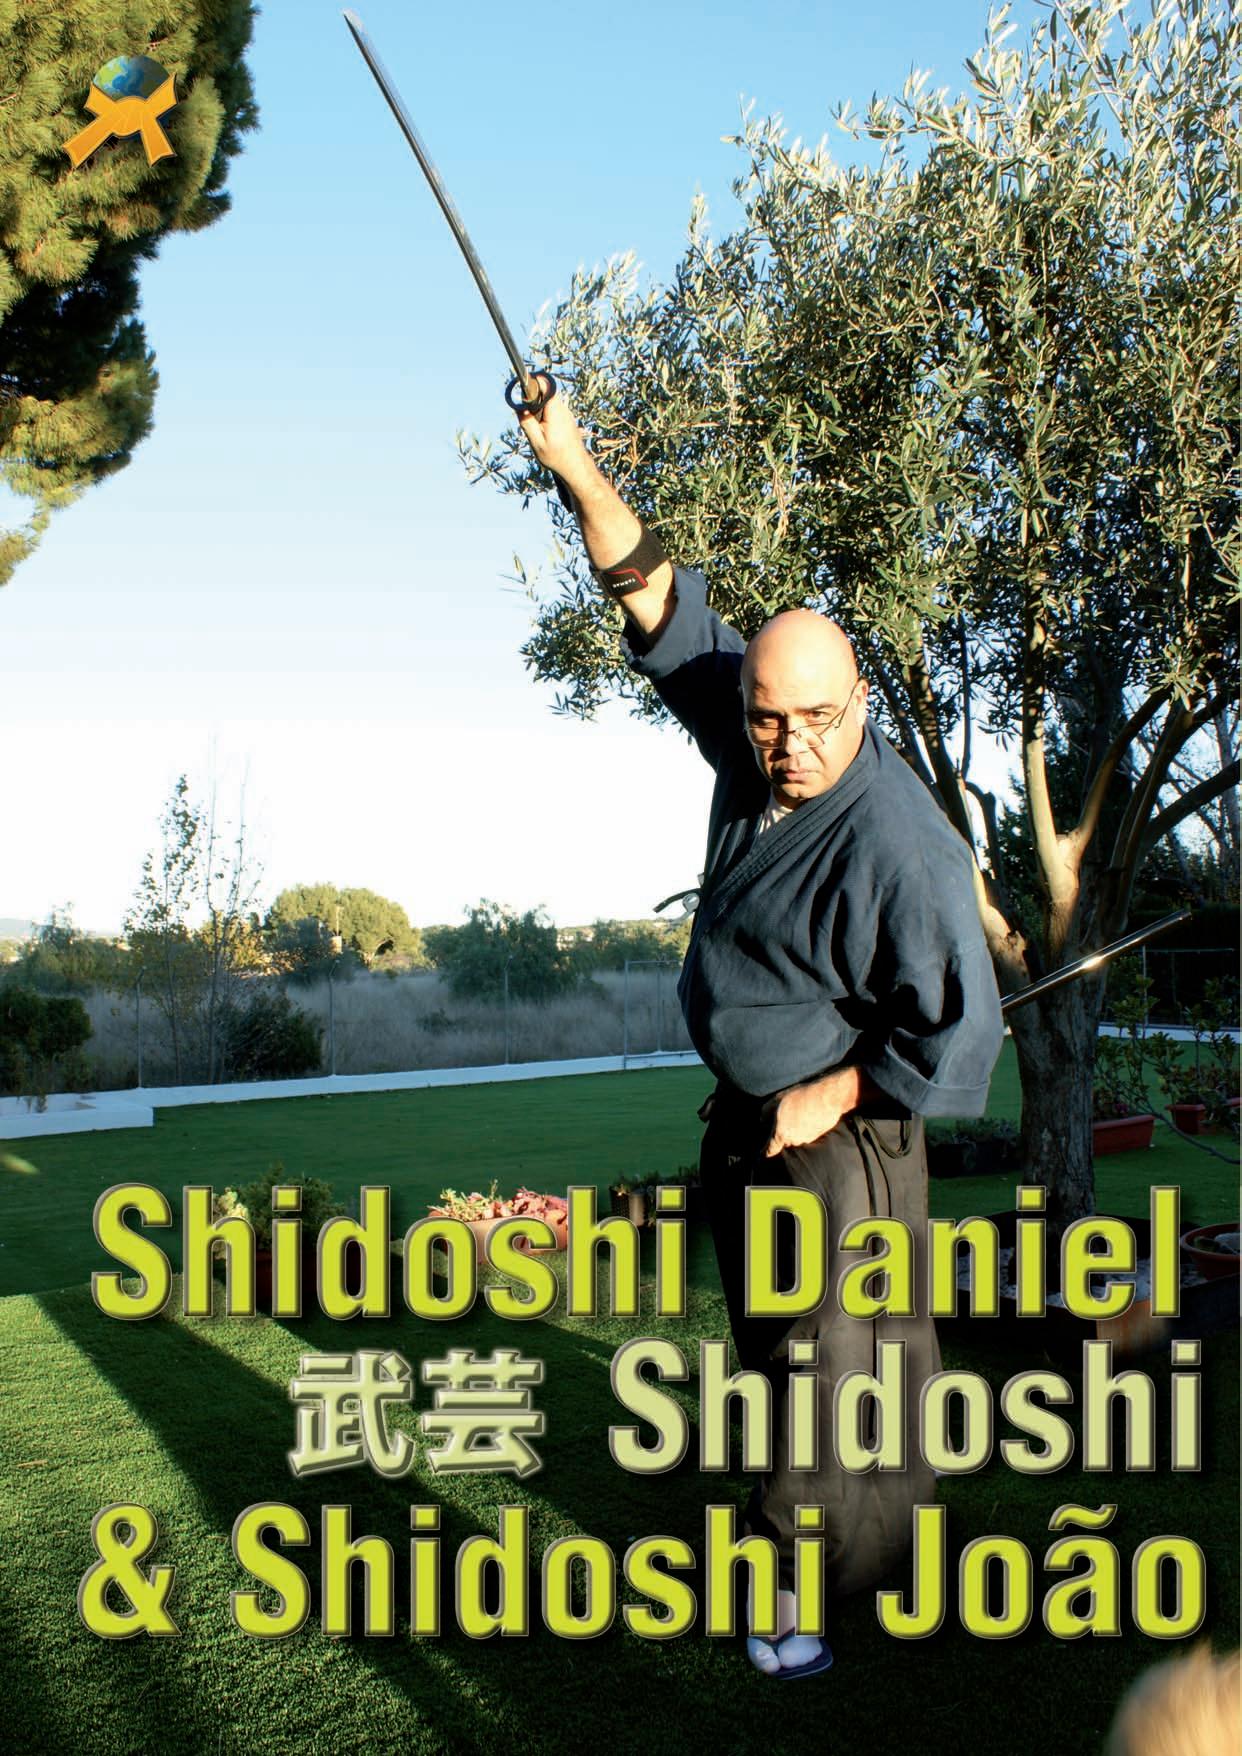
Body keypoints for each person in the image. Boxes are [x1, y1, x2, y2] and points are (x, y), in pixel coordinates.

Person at [515, 377, 1005, 1679]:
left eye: (815, 721)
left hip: (839, 1139)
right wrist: (573, 466)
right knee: (792, 1361)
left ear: (862, 703)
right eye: (768, 718)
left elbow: (959, 1030)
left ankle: (788, 1594)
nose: (788, 744)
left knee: (830, 1372)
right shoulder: (752, 736)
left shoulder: (902, 844)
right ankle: (879, 1562)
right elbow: (653, 598)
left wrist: (830, 1096)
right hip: (750, 1124)